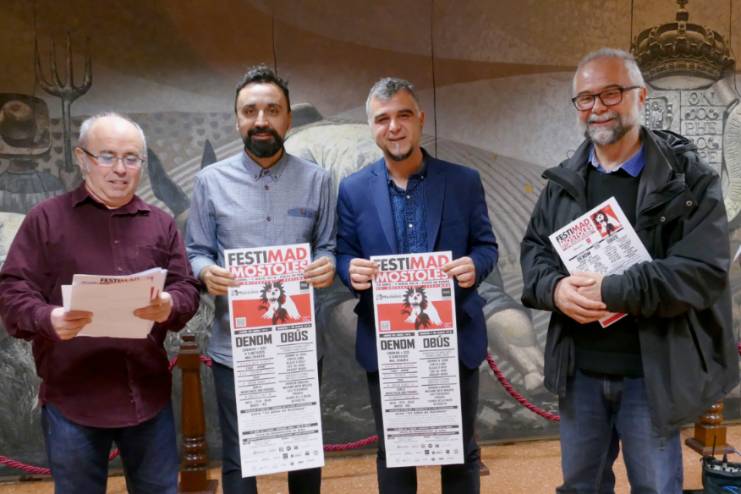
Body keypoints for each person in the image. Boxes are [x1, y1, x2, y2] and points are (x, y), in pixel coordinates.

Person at [520, 48, 739, 493]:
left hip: (651, 375)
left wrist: (614, 290)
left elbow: (701, 270)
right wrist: (555, 289)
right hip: (580, 374)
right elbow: (534, 253)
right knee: (580, 486)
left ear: (640, 96)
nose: (597, 107)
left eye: (611, 93)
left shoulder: (689, 179)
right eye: (585, 98)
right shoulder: (563, 181)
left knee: (656, 488)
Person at [0, 112, 200, 494]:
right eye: (107, 156)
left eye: (131, 158)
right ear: (82, 158)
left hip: (147, 395)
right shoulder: (46, 220)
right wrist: (48, 317)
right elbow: (12, 292)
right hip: (73, 399)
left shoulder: (160, 223)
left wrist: (171, 304)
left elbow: (186, 288)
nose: (120, 169)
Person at [336, 77, 498, 494]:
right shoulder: (353, 190)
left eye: (403, 115)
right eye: (382, 119)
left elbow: (486, 246)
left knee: (460, 453)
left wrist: (475, 266)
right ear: (371, 126)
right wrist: (349, 270)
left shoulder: (463, 181)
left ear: (421, 119)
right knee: (395, 454)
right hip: (387, 342)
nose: (394, 127)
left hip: (454, 337)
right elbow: (344, 252)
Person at [186, 64, 336, 494]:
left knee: (303, 455)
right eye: (250, 111)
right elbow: (196, 251)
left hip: (299, 344)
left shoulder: (318, 180)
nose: (261, 120)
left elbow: (328, 245)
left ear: (288, 118)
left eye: (272, 110)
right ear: (237, 120)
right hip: (235, 347)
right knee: (240, 459)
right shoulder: (210, 182)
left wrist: (326, 263)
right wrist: (205, 272)